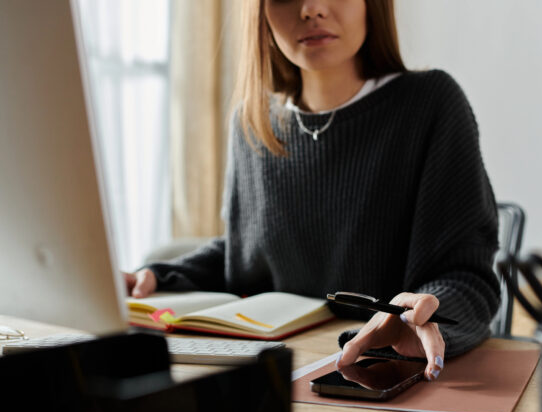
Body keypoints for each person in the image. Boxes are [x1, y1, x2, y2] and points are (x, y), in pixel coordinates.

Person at [124, 0, 499, 382]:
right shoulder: (252, 122)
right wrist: (161, 275)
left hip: (381, 376)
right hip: (274, 374)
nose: (312, 9)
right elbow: (249, 249)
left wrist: (421, 314)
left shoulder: (431, 103)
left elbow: (468, 277)